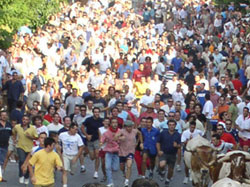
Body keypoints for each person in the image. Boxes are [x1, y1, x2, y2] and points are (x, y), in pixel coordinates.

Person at [12, 115, 38, 185]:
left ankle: (26, 177)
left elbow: (36, 138)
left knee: (28, 163)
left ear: (29, 121)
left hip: (29, 148)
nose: (24, 121)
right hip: (20, 146)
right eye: (23, 119)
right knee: (22, 160)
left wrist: (30, 137)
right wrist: (14, 140)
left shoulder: (32, 128)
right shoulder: (17, 126)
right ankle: (21, 175)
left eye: (26, 119)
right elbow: (13, 132)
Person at [157, 120, 181, 187]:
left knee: (171, 170)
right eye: (170, 125)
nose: (171, 126)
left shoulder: (177, 134)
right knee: (162, 165)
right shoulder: (163, 133)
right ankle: (162, 172)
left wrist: (176, 146)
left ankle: (167, 180)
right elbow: (158, 142)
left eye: (173, 125)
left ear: (175, 126)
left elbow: (180, 145)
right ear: (168, 125)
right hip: (164, 153)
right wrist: (159, 150)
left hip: (172, 154)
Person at [119, 120, 143, 187]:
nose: (129, 128)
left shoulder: (135, 131)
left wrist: (139, 142)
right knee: (122, 167)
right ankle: (124, 172)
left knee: (129, 165)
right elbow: (115, 138)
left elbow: (140, 134)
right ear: (125, 127)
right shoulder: (121, 131)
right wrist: (120, 138)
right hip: (122, 151)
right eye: (128, 127)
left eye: (130, 127)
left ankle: (127, 181)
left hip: (131, 151)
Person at [82, 107, 103, 179]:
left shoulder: (101, 120)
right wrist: (86, 135)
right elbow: (82, 127)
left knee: (97, 155)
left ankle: (96, 172)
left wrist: (102, 139)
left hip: (97, 139)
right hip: (90, 140)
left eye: (98, 112)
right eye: (95, 112)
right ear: (93, 113)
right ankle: (87, 153)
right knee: (92, 157)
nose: (96, 113)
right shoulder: (89, 120)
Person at [100, 118, 120, 187]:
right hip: (108, 151)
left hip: (117, 152)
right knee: (107, 167)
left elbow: (124, 139)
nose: (115, 124)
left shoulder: (120, 132)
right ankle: (110, 182)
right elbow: (102, 140)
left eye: (116, 123)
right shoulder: (106, 133)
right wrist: (101, 143)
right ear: (110, 124)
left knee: (115, 168)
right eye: (113, 123)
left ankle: (110, 172)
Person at [0, 111, 12, 179]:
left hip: (5, 146)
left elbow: (11, 134)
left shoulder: (8, 124)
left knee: (2, 161)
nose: (4, 116)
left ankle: (0, 176)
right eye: (2, 115)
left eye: (5, 115)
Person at [98, 118, 110, 182]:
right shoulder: (100, 129)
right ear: (103, 122)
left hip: (110, 148)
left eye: (108, 122)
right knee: (103, 164)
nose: (106, 123)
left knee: (108, 163)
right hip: (102, 148)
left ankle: (109, 175)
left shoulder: (111, 129)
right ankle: (104, 175)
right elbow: (101, 138)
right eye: (105, 121)